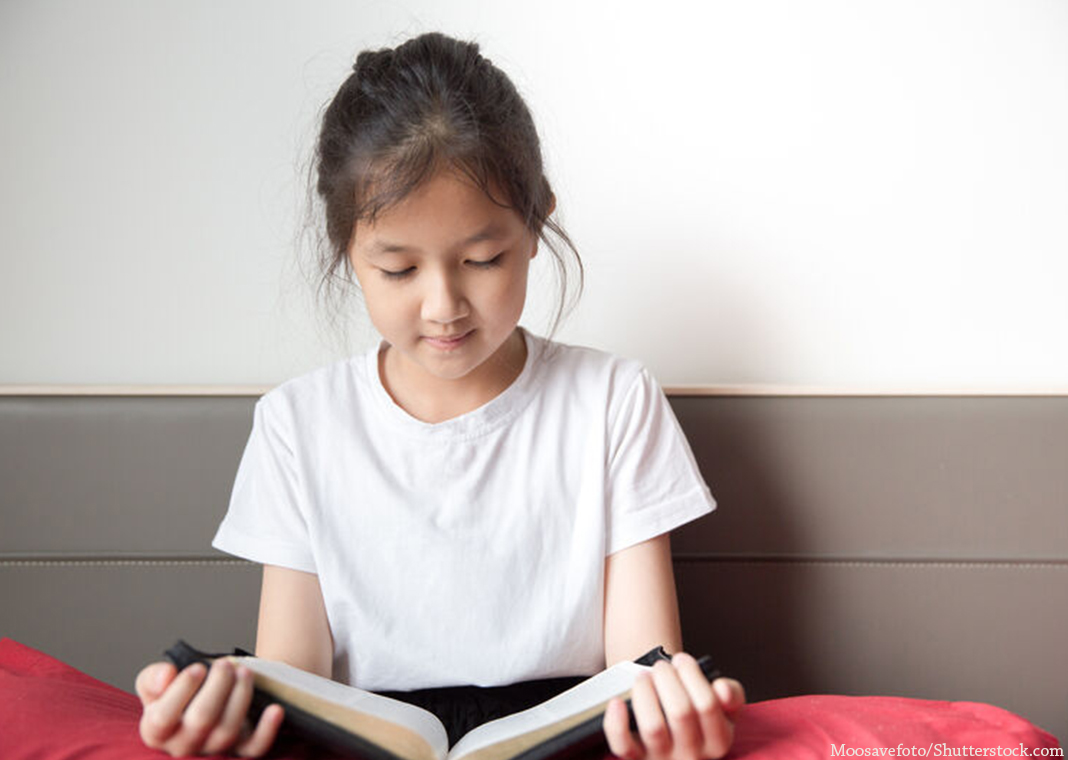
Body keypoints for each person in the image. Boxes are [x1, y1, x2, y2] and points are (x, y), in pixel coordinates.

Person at [134, 31, 745, 759]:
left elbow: (640, 673)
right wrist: (224, 718)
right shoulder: (298, 424)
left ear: (536, 223)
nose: (443, 304)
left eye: (482, 259)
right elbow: (293, 688)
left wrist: (671, 721)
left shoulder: (614, 401)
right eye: (397, 270)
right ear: (347, 250)